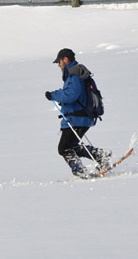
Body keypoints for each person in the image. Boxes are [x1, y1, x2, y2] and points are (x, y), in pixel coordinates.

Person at [45, 48, 112, 178]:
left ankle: (79, 170)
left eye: (59, 62)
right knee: (71, 146)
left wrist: (54, 95)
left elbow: (71, 94)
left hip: (78, 117)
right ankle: (100, 155)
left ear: (65, 59)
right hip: (82, 116)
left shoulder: (73, 73)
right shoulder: (77, 72)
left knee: (64, 148)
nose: (59, 65)